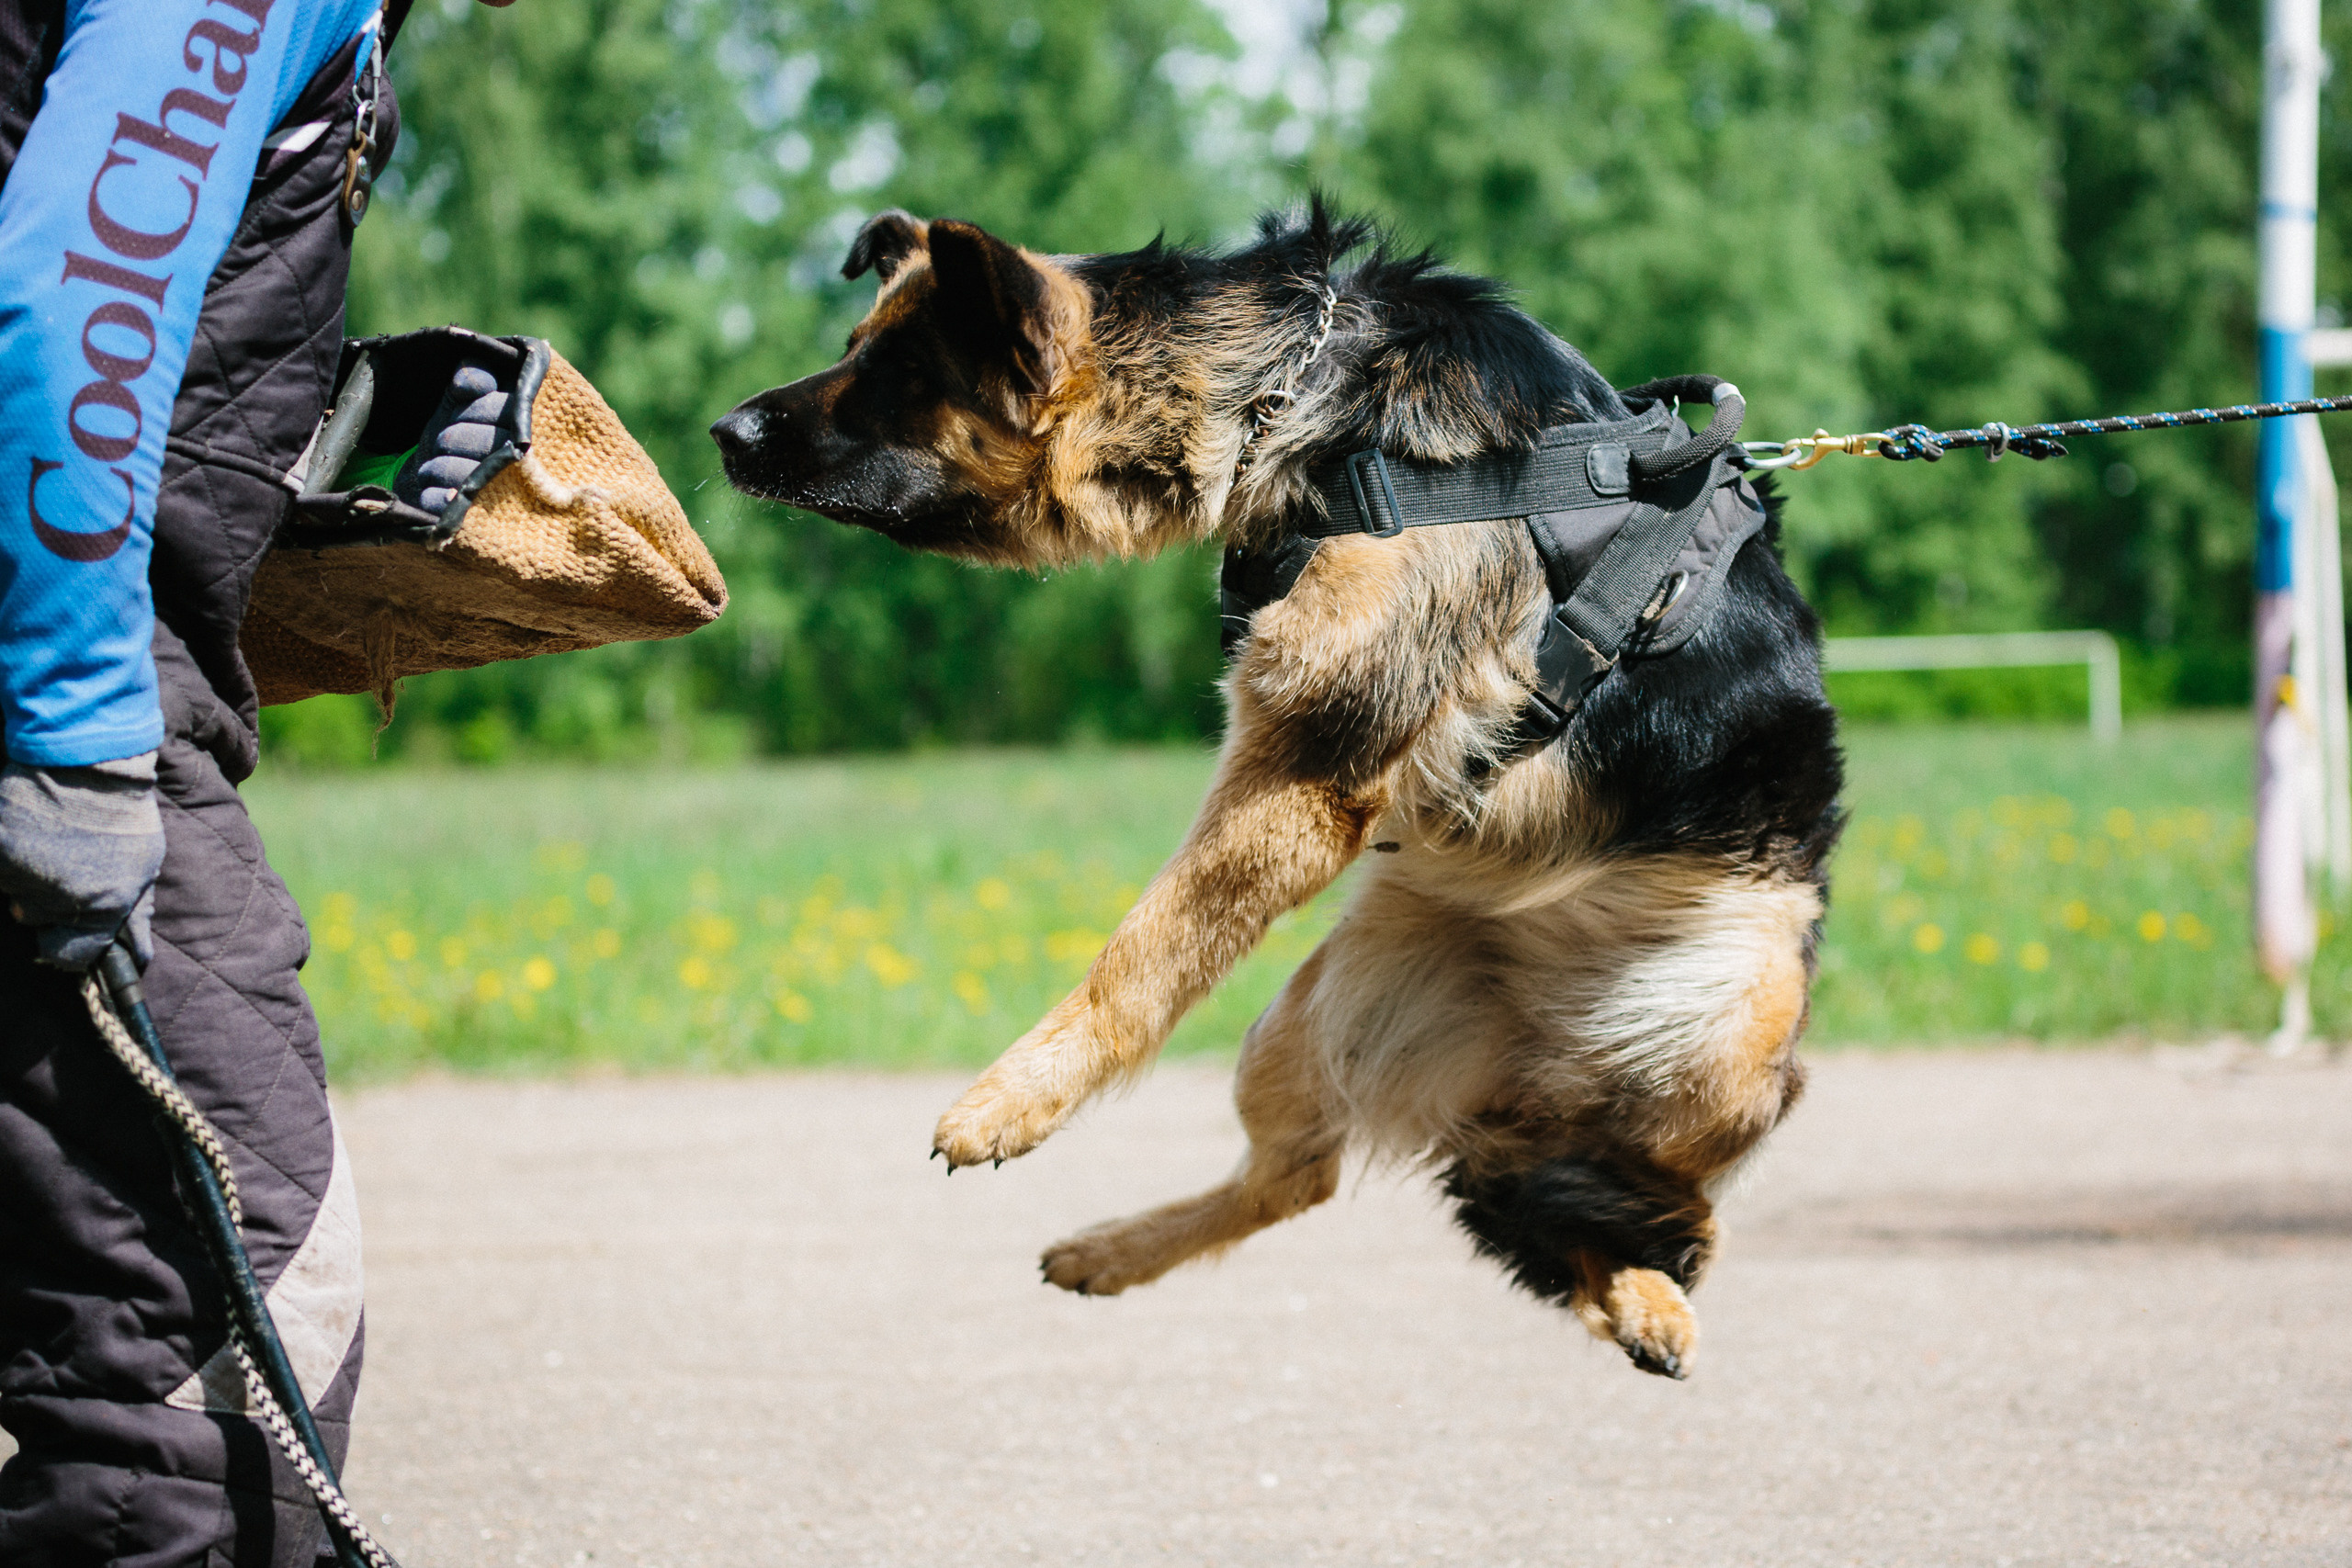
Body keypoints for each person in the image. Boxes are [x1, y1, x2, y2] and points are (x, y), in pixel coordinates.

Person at [0, 1, 515, 1562]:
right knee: (210, 1396)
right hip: (57, 710)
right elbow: (61, 300)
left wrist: (338, 413)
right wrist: (83, 740)